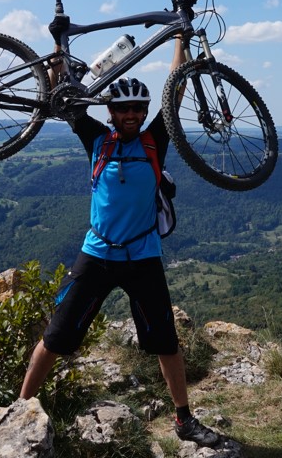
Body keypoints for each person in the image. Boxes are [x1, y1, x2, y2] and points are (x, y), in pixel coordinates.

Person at [20, 37, 222, 448]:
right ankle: (19, 411)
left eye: (137, 108)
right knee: (55, 338)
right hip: (96, 255)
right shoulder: (97, 138)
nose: (131, 114)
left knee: (166, 342)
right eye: (122, 108)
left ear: (145, 112)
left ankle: (183, 419)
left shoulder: (154, 140)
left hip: (143, 257)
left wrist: (180, 40)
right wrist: (59, 48)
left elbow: (176, 88)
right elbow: (62, 97)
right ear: (110, 112)